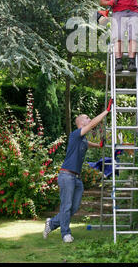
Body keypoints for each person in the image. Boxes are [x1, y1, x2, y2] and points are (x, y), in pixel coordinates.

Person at [43, 99, 113, 243]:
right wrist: (107, 111)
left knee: (73, 207)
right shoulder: (75, 135)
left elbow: (93, 144)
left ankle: (52, 223)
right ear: (81, 123)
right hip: (66, 176)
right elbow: (94, 123)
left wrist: (100, 144)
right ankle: (65, 234)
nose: (89, 119)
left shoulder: (83, 141)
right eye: (87, 118)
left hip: (77, 179)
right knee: (66, 206)